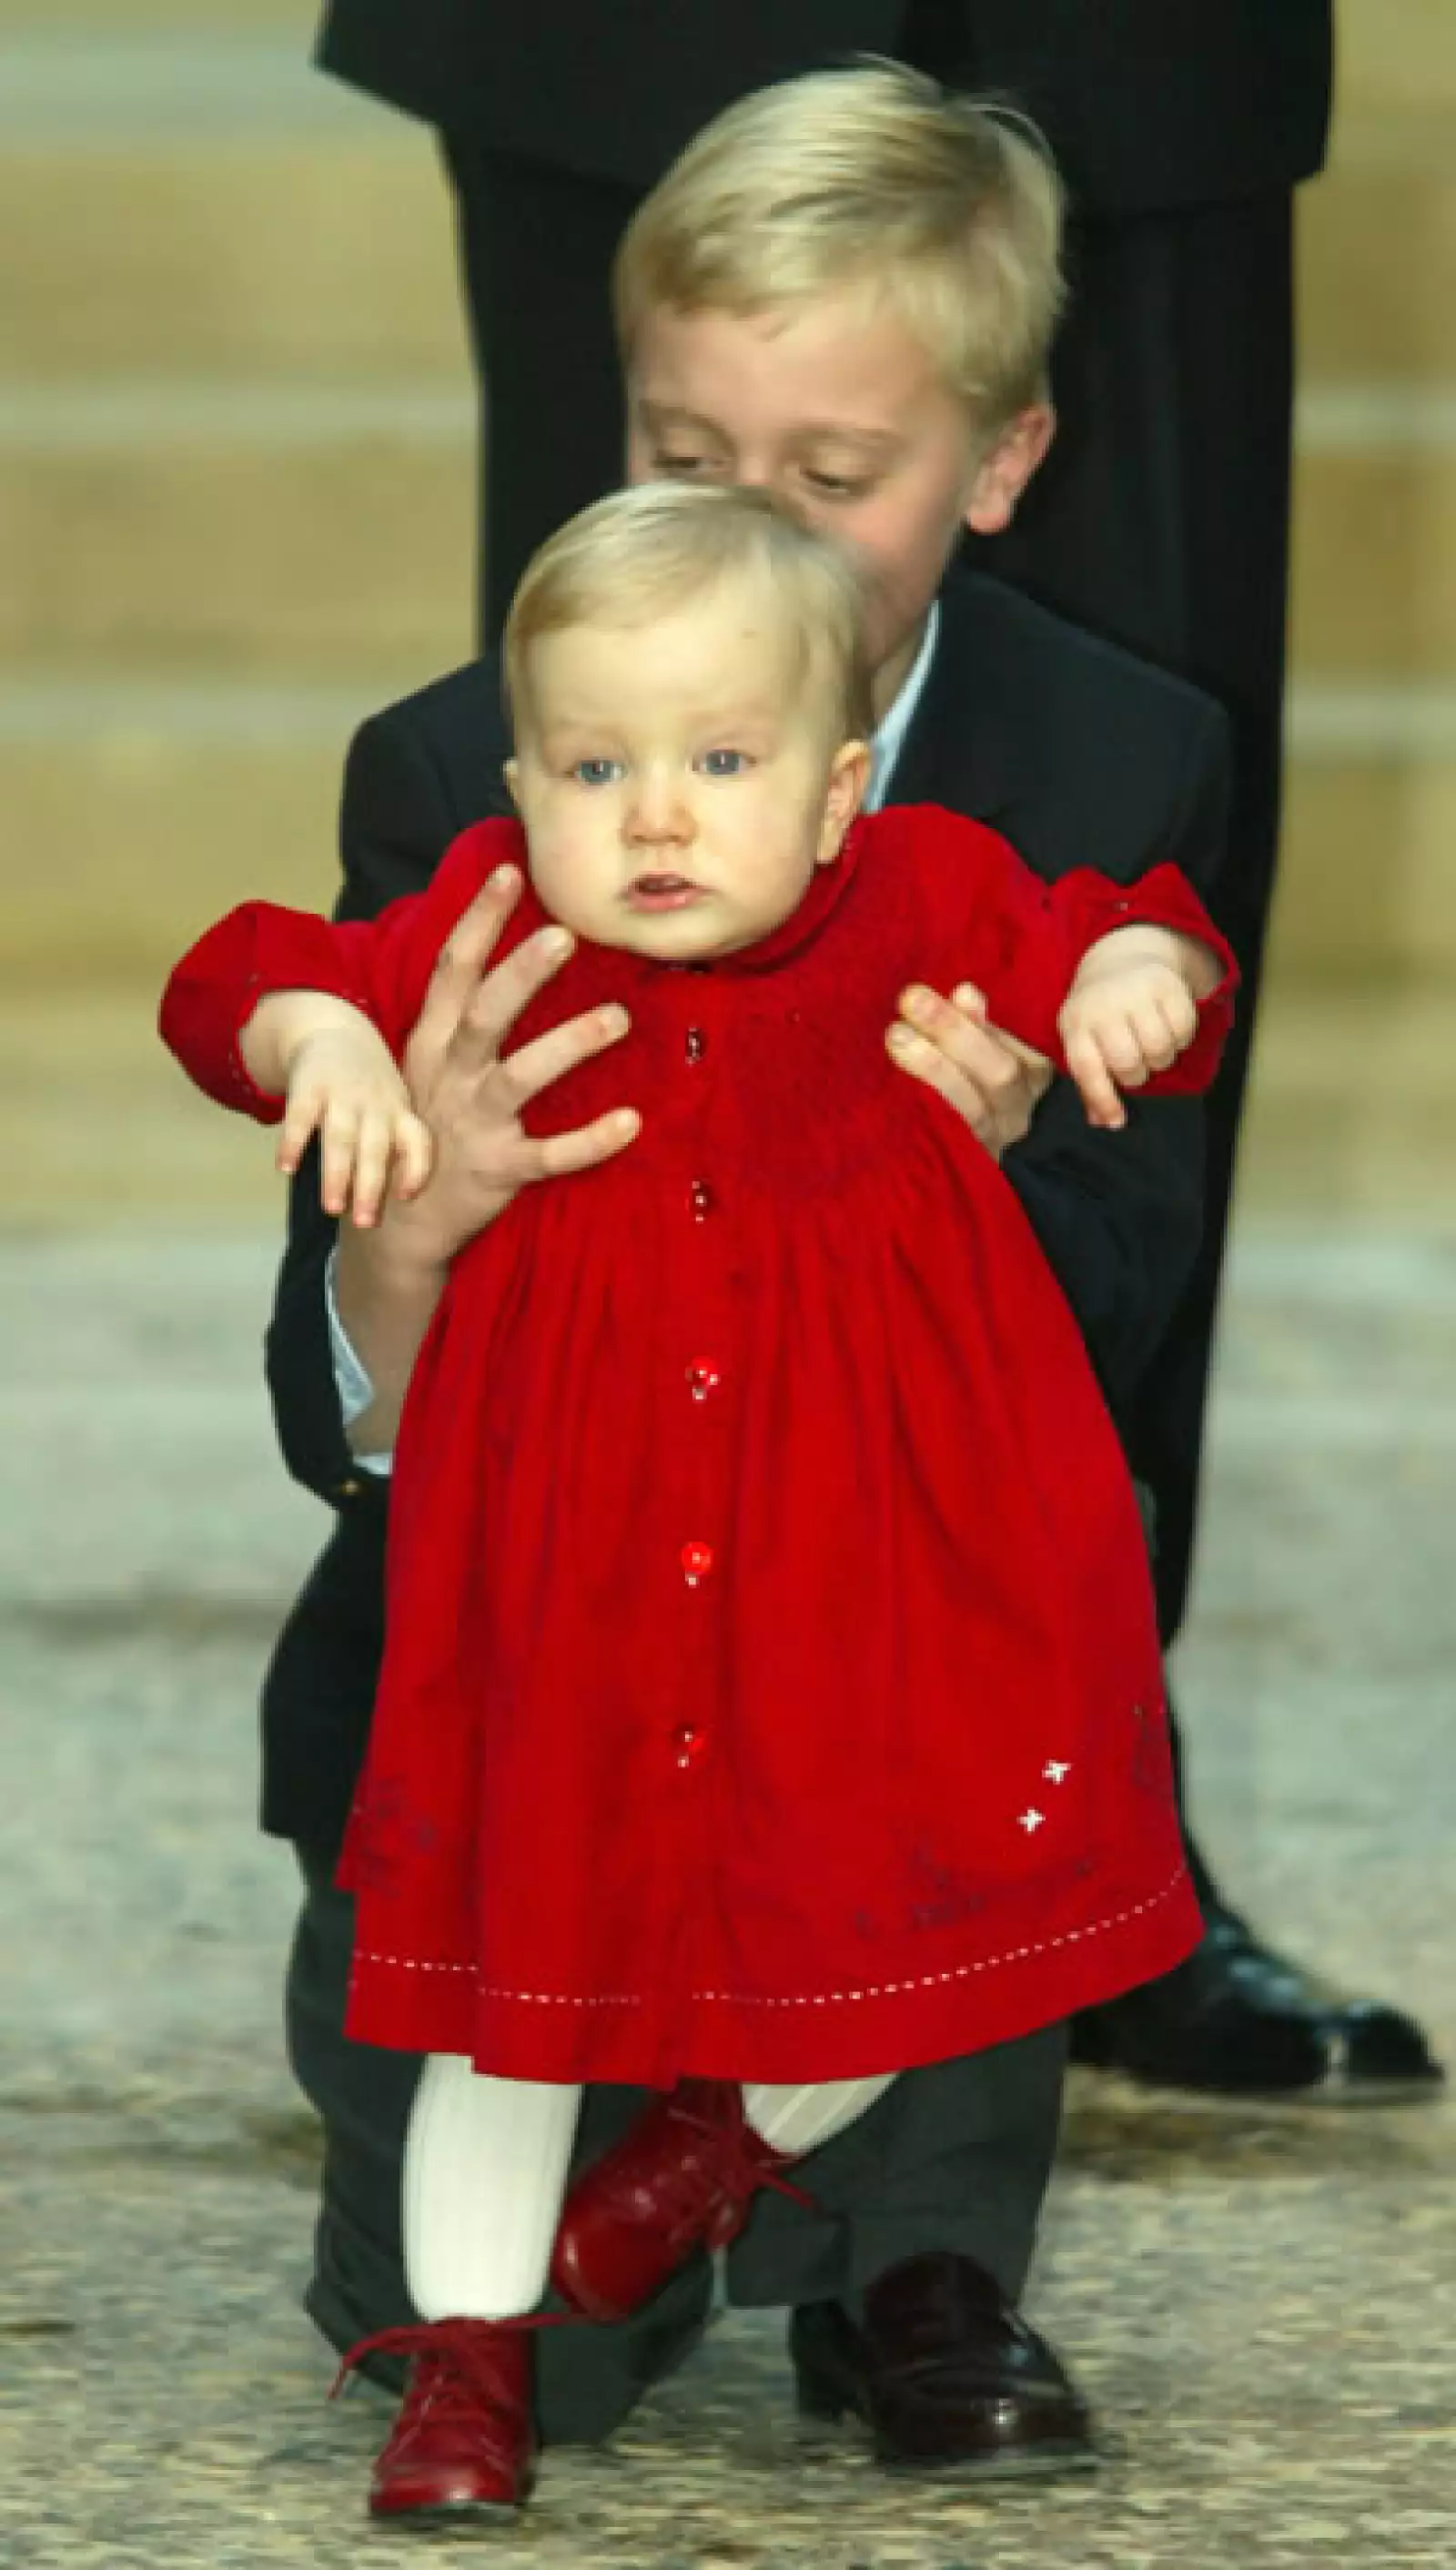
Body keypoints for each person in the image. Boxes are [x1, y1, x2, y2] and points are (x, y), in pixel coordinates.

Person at [312, 0, 1441, 2102]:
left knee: (1108, 865)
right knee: (617, 814)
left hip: (1115, 49)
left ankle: (1064, 1802)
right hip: (629, 54)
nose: (770, 510)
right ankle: (566, 1761)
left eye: (830, 479)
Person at [163, 481, 1236, 2524]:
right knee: (507, 1973)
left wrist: (1121, 977)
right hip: (562, 1589)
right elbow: (237, 970)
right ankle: (462, 2370)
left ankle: (738, 2143)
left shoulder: (920, 892)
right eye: (595, 766)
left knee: (906, 1898)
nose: (654, 819)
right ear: (518, 784)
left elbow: (1139, 921)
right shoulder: (497, 913)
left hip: (860, 1576)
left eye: (721, 764)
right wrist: (324, 1035)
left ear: (835, 793)